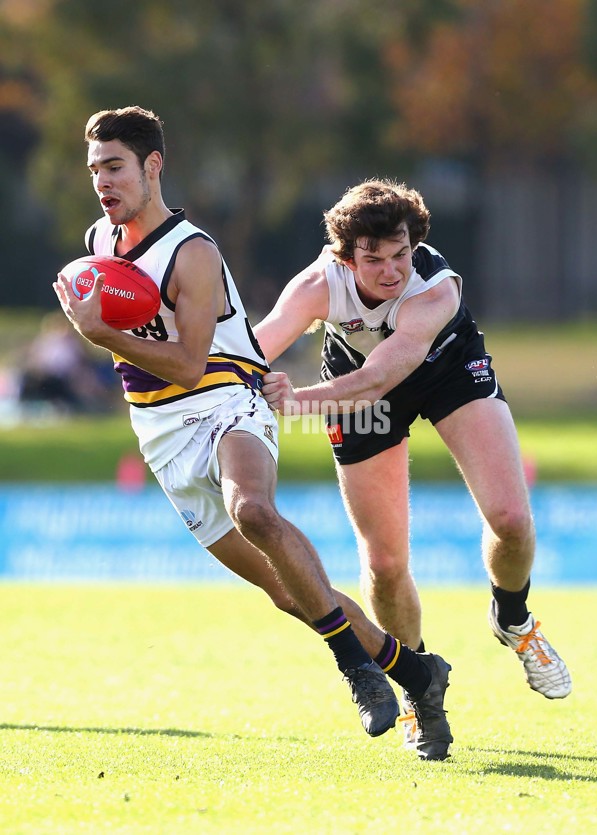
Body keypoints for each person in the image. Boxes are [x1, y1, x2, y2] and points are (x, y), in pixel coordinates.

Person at [53, 108, 453, 761]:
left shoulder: (193, 252)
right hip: (159, 432)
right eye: (95, 167)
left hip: (225, 398)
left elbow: (187, 363)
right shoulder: (99, 240)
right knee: (284, 590)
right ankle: (416, 671)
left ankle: (357, 669)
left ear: (153, 165)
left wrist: (100, 334)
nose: (102, 179)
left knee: (255, 509)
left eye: (115, 166)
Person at [258, 178, 571, 709]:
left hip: (442, 368)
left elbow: (381, 378)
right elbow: (256, 347)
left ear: (414, 243)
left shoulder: (434, 288)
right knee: (383, 565)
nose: (391, 271)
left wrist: (299, 401)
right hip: (353, 384)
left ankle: (513, 618)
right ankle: (418, 682)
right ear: (345, 258)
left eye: (400, 254)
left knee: (512, 521)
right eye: (373, 259)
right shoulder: (317, 284)